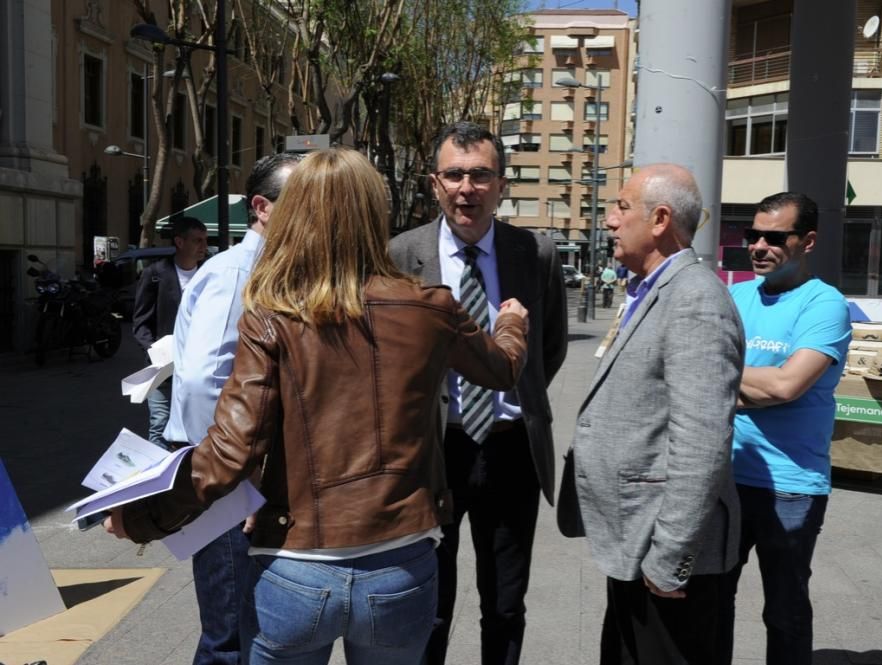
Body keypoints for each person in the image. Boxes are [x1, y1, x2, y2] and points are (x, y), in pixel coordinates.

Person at [106, 147, 529, 665]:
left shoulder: (273, 313)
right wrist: (511, 322)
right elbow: (501, 369)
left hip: (295, 567)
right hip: (402, 563)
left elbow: (229, 451)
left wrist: (144, 518)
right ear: (376, 214)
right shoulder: (431, 305)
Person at [389, 121, 568, 665]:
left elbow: (548, 349)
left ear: (502, 184)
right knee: (429, 603)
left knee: (506, 603)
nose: (468, 188)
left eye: (482, 175)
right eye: (455, 175)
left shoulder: (534, 252)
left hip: (512, 448)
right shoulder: (401, 255)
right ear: (434, 182)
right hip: (434, 451)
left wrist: (512, 399)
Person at [567, 164, 744, 665]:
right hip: (635, 543)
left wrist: (670, 558)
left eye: (622, 207)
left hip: (667, 558)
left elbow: (703, 442)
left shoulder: (695, 300)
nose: (611, 220)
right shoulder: (651, 289)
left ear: (661, 218)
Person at [161, 151, 303, 665]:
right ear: (263, 208)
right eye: (304, 202)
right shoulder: (238, 273)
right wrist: (233, 480)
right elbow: (202, 383)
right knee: (230, 637)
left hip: (238, 478)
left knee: (245, 626)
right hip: (228, 484)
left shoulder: (267, 269)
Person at [719, 192, 851, 665]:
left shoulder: (825, 305)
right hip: (726, 476)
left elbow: (787, 385)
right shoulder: (733, 295)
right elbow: (694, 374)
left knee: (785, 611)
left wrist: (724, 382)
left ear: (808, 241)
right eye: (752, 235)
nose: (758, 246)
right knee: (711, 605)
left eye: (775, 238)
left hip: (791, 487)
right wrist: (754, 385)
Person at [131, 216, 207, 449]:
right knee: (160, 424)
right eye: (198, 240)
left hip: (200, 367)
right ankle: (159, 482)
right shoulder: (155, 274)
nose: (204, 246)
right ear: (179, 242)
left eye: (205, 240)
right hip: (163, 367)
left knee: (195, 426)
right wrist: (155, 350)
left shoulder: (210, 273)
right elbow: (140, 323)